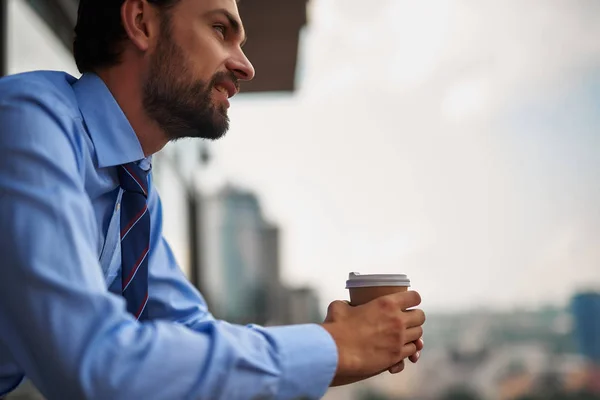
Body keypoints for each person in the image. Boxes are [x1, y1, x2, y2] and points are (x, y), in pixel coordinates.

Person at [0, 0, 426, 399]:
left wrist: (345, 344)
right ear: (141, 23)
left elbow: (187, 329)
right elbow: (93, 363)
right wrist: (332, 347)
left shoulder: (135, 192)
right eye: (220, 29)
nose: (245, 67)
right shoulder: (25, 122)